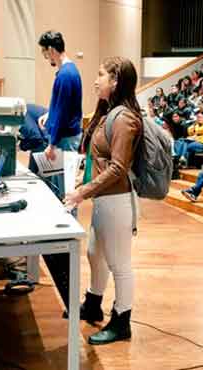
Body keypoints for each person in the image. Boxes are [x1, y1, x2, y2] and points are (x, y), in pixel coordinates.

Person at [63, 57, 143, 345]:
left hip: (117, 202)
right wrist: (82, 184)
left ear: (115, 81)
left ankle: (122, 321)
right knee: (95, 254)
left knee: (120, 264)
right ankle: (93, 303)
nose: (96, 81)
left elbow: (118, 167)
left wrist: (81, 192)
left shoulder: (124, 118)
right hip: (104, 200)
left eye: (101, 75)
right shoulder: (110, 112)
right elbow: (98, 159)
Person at [38, 30, 83, 197]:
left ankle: (69, 223)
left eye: (44, 53)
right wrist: (49, 113)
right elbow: (62, 106)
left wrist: (52, 144)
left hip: (64, 140)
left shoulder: (65, 75)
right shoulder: (68, 71)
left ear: (51, 50)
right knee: (62, 188)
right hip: (65, 138)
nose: (45, 57)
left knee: (65, 191)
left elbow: (63, 113)